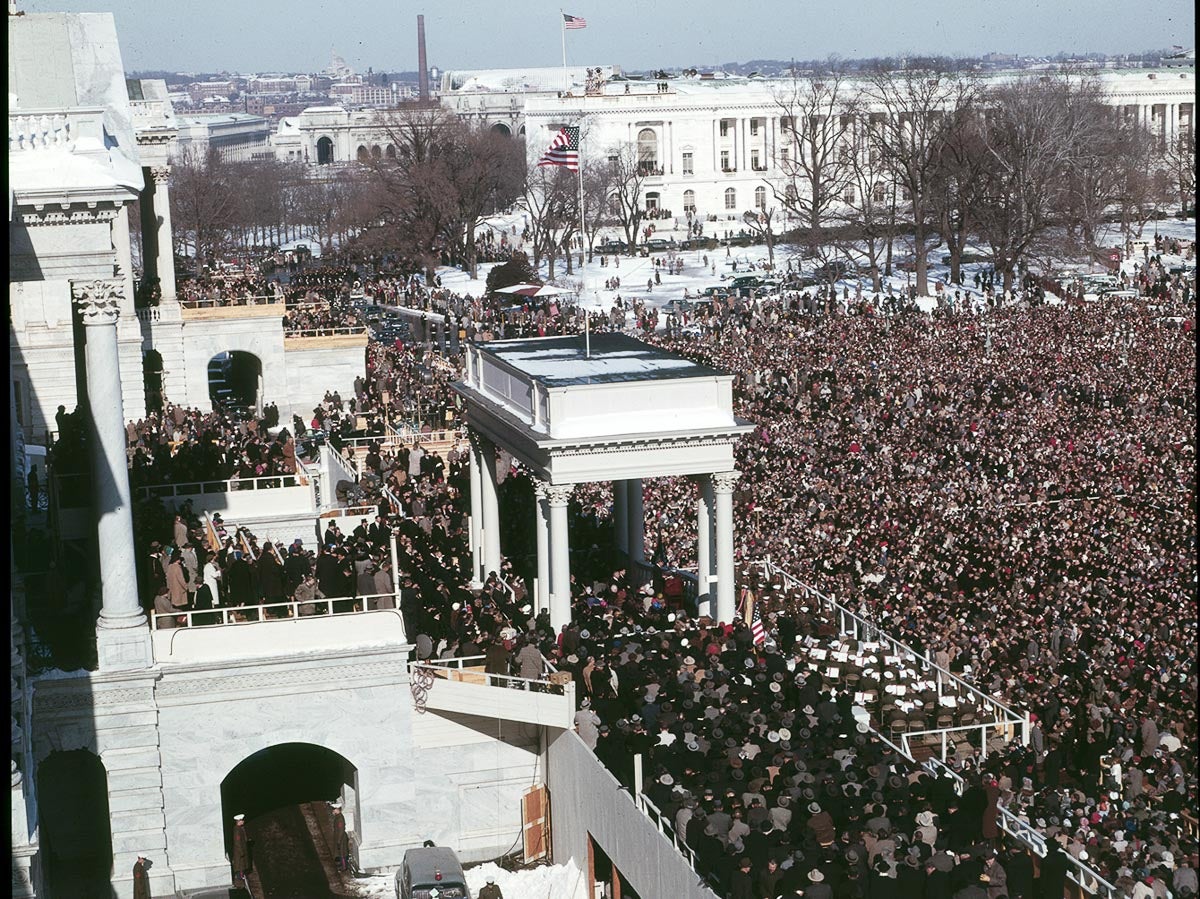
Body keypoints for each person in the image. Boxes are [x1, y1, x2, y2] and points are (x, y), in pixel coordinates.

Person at [231, 813, 251, 884]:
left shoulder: (239, 829)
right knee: (240, 865)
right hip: (239, 852)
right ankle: (240, 878)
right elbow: (237, 842)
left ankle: (242, 877)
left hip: (241, 850)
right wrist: (241, 851)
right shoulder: (237, 830)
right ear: (238, 821)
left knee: (242, 865)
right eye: (242, 820)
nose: (243, 821)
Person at [331, 801, 350, 871]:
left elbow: (341, 830)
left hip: (341, 838)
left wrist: (339, 841)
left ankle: (344, 867)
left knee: (342, 853)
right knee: (339, 852)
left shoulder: (340, 819)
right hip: (338, 837)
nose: (333, 811)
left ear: (337, 809)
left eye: (334, 809)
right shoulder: (338, 817)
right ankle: (341, 865)